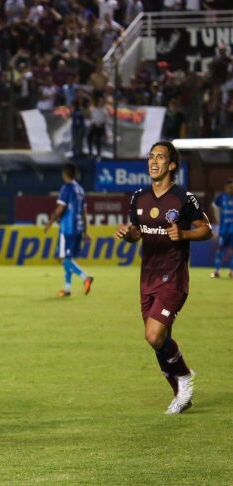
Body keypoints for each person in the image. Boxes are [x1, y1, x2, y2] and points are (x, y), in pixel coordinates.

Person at [115, 141, 212, 415]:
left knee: (154, 335)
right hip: (148, 278)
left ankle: (183, 377)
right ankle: (181, 395)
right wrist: (129, 234)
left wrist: (185, 234)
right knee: (158, 340)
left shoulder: (183, 198)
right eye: (151, 157)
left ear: (172, 165)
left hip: (174, 278)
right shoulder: (138, 198)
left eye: (160, 157)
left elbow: (206, 230)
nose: (153, 161)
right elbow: (137, 234)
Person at [44, 163, 93, 297]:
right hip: (77, 228)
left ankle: (85, 277)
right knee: (68, 258)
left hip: (67, 228)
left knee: (62, 258)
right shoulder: (80, 190)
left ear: (65, 173)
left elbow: (60, 209)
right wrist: (85, 230)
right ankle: (67, 288)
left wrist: (49, 223)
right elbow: (84, 212)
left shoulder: (66, 188)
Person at [211, 177, 233, 278]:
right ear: (225, 187)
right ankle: (216, 271)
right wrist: (218, 220)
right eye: (229, 185)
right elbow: (214, 206)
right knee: (219, 249)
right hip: (223, 230)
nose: (230, 187)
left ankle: (231, 271)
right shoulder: (221, 197)